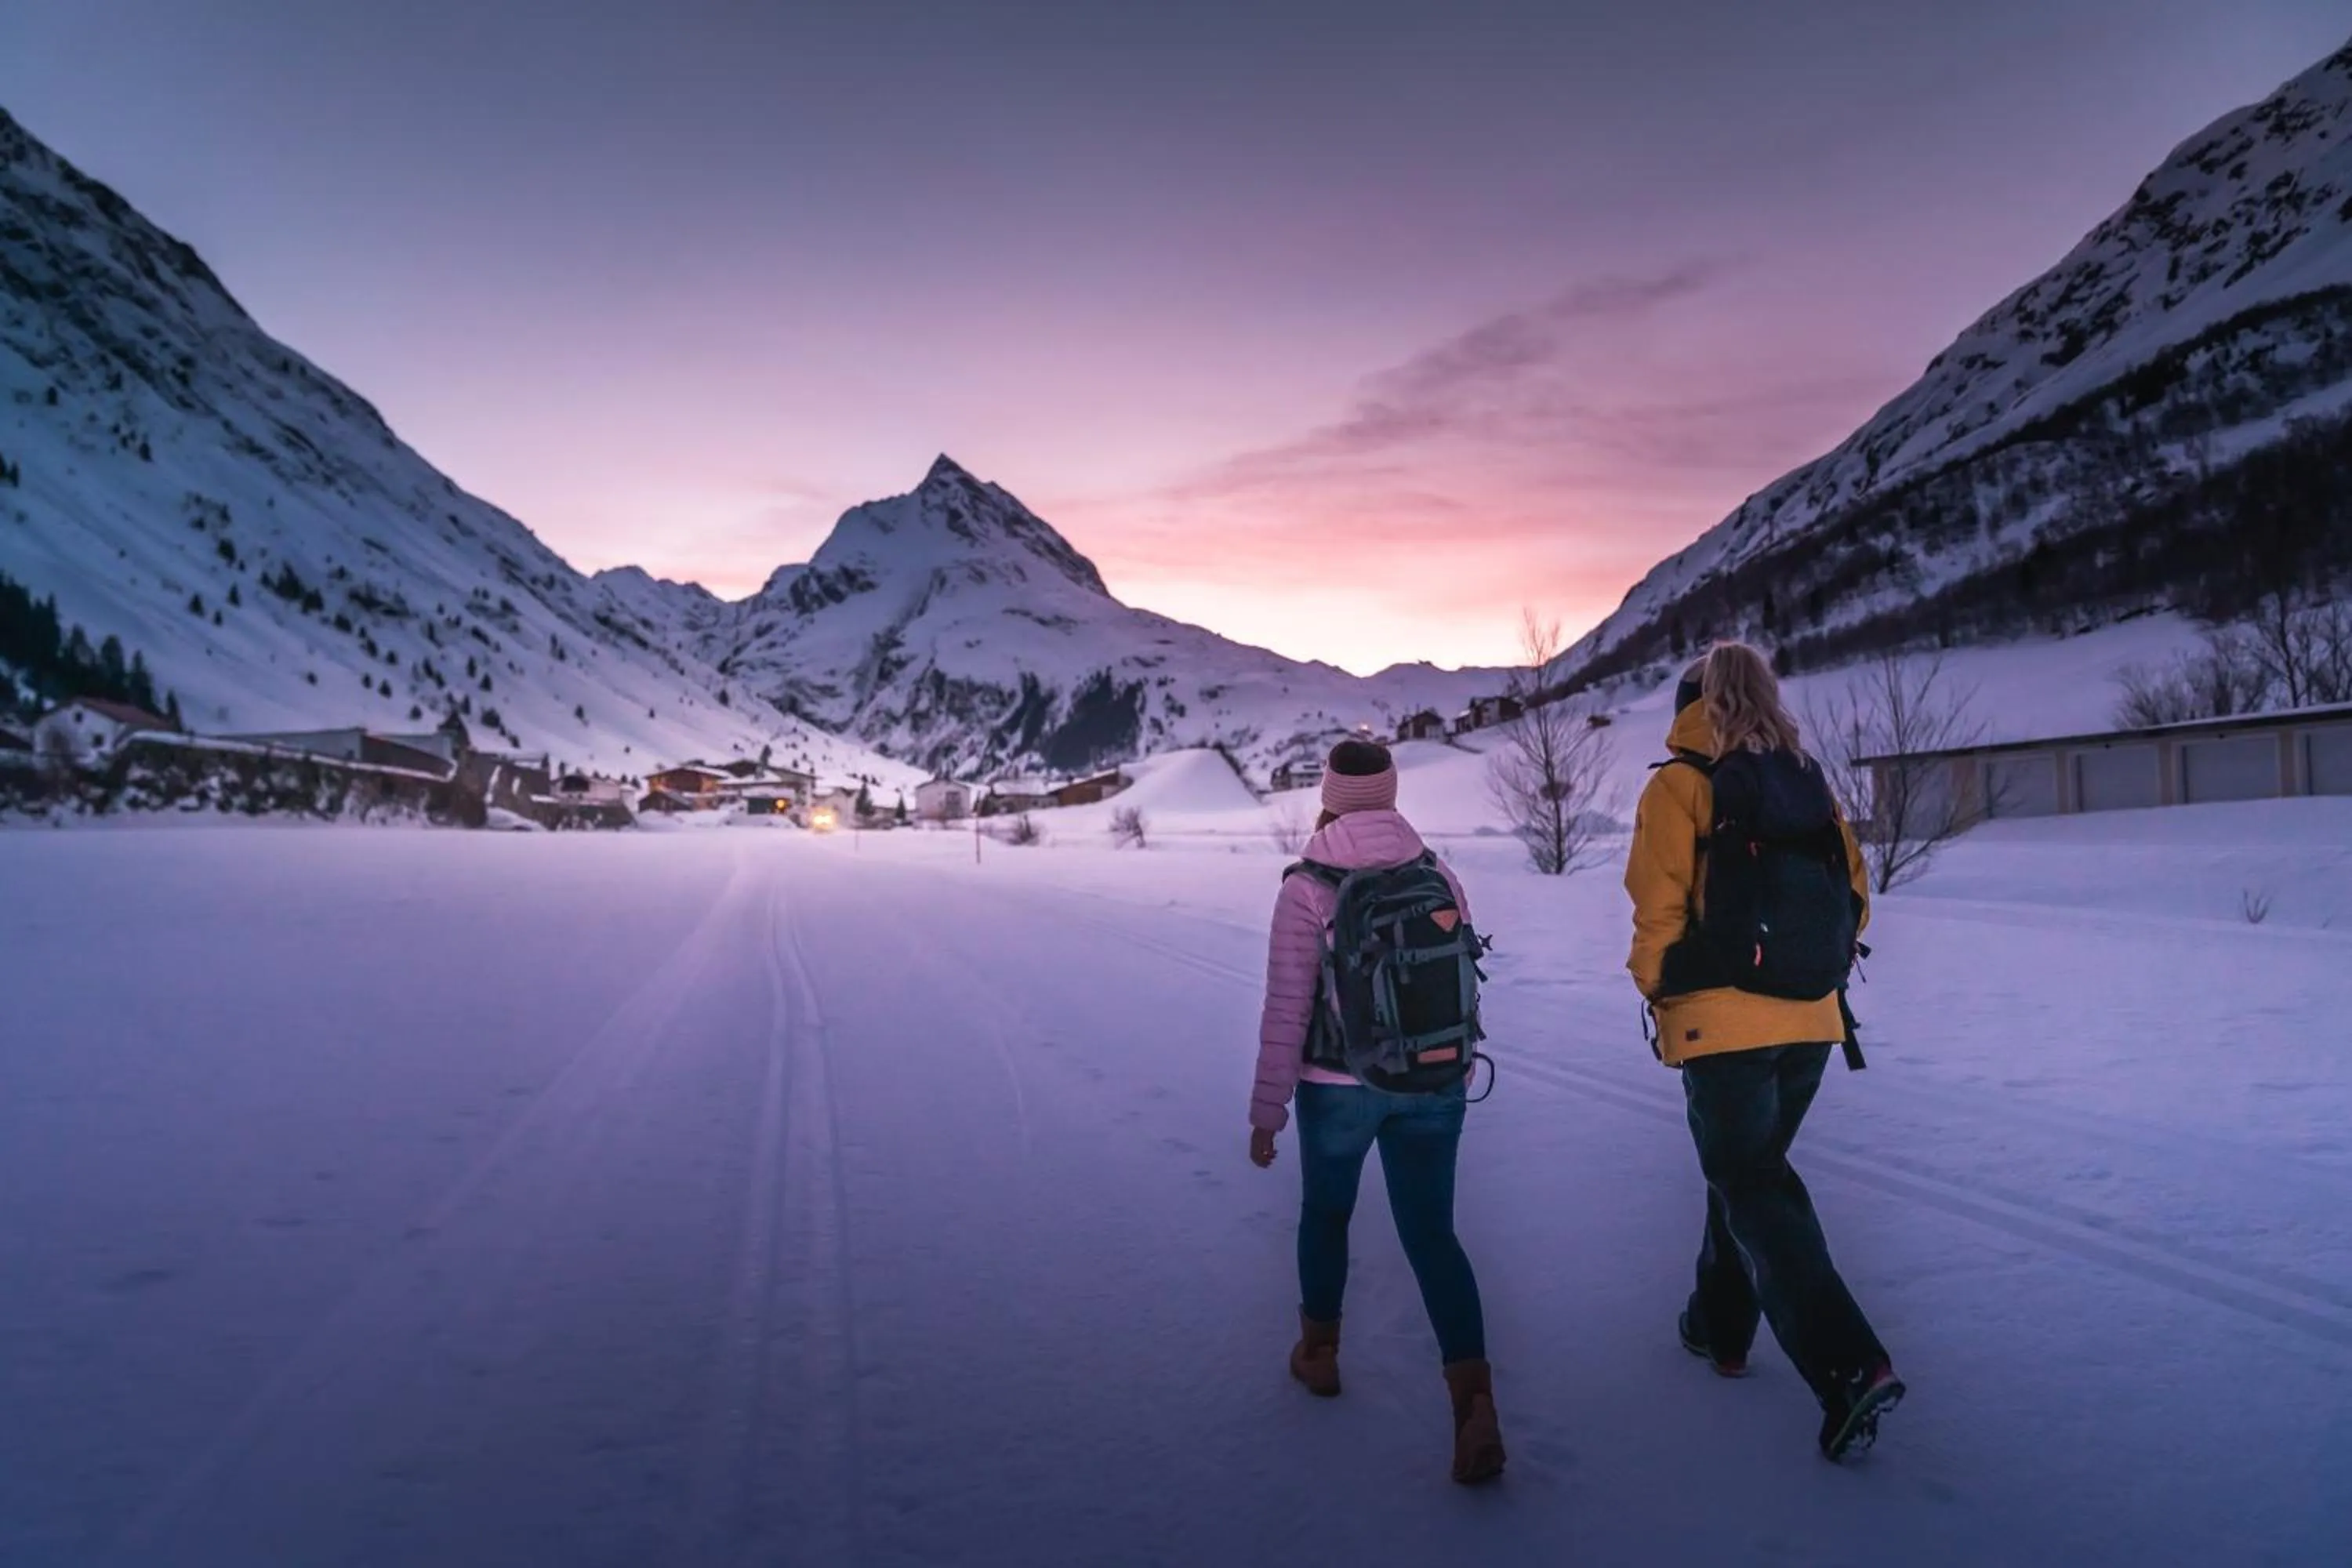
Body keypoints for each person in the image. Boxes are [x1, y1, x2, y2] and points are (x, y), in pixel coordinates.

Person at [1624, 642, 1905, 1461]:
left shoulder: (1678, 783)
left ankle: (1849, 1364)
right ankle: (1719, 1327)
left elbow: (1657, 908)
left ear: (1687, 706)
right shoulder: (1804, 781)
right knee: (1746, 1174)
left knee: (1750, 1178)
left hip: (1724, 1020)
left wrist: (1660, 990)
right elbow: (1855, 893)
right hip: (1813, 1019)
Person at [1247, 739, 1506, 1486]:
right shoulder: (1435, 871)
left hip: (1337, 1088)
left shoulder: (1307, 885)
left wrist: (1269, 1110)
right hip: (1435, 1081)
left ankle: (1319, 1355)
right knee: (1433, 1236)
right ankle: (1474, 1404)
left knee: (1326, 1215)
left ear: (1328, 794)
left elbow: (1288, 1007)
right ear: (1391, 794)